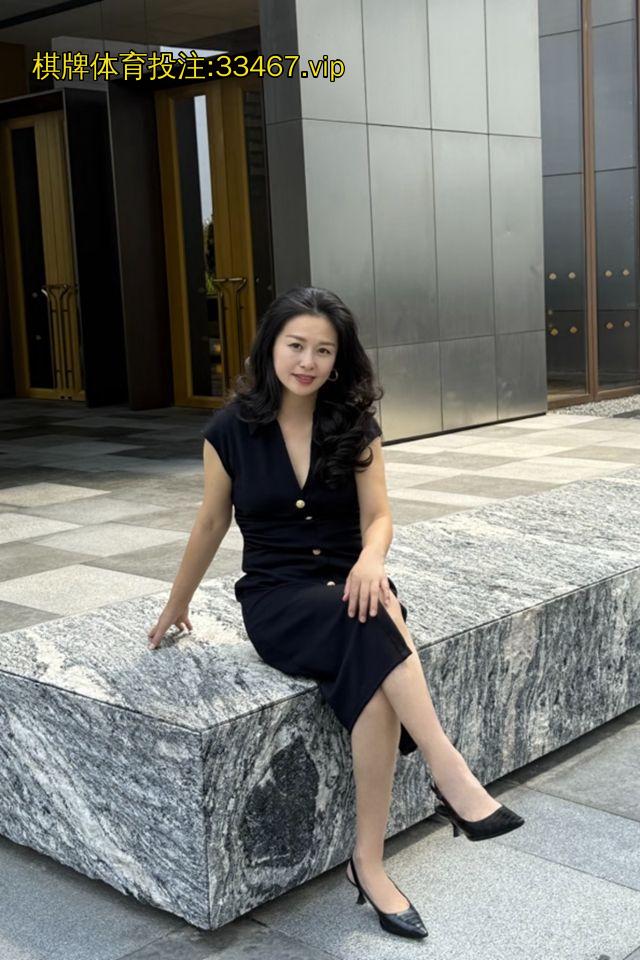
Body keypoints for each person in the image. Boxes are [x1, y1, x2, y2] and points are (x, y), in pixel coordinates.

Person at [146, 286, 524, 940]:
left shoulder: (353, 424)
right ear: (270, 347)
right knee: (371, 621)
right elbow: (211, 521)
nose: (308, 361)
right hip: (279, 598)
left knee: (373, 680)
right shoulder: (229, 431)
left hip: (355, 586)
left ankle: (367, 864)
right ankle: (447, 770)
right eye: (296, 345)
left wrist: (372, 558)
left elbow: (379, 516)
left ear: (338, 359)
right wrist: (177, 602)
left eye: (323, 350)